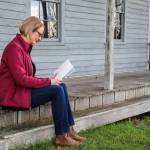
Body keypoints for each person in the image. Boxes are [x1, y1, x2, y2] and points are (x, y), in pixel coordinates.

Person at [0, 16, 86, 146]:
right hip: (13, 96)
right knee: (56, 90)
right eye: (39, 34)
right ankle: (61, 136)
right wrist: (48, 82)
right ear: (30, 30)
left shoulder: (23, 48)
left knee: (61, 85)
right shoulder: (14, 48)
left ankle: (69, 129)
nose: (40, 38)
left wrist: (50, 80)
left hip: (22, 91)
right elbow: (21, 79)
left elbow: (27, 78)